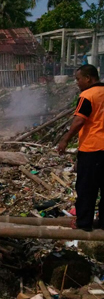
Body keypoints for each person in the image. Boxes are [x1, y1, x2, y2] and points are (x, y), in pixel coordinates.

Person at [58, 64, 104, 231]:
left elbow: (79, 120)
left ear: (88, 78)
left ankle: (84, 224)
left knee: (86, 188)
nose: (77, 82)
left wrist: (65, 140)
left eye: (78, 79)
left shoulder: (88, 95)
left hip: (92, 150)